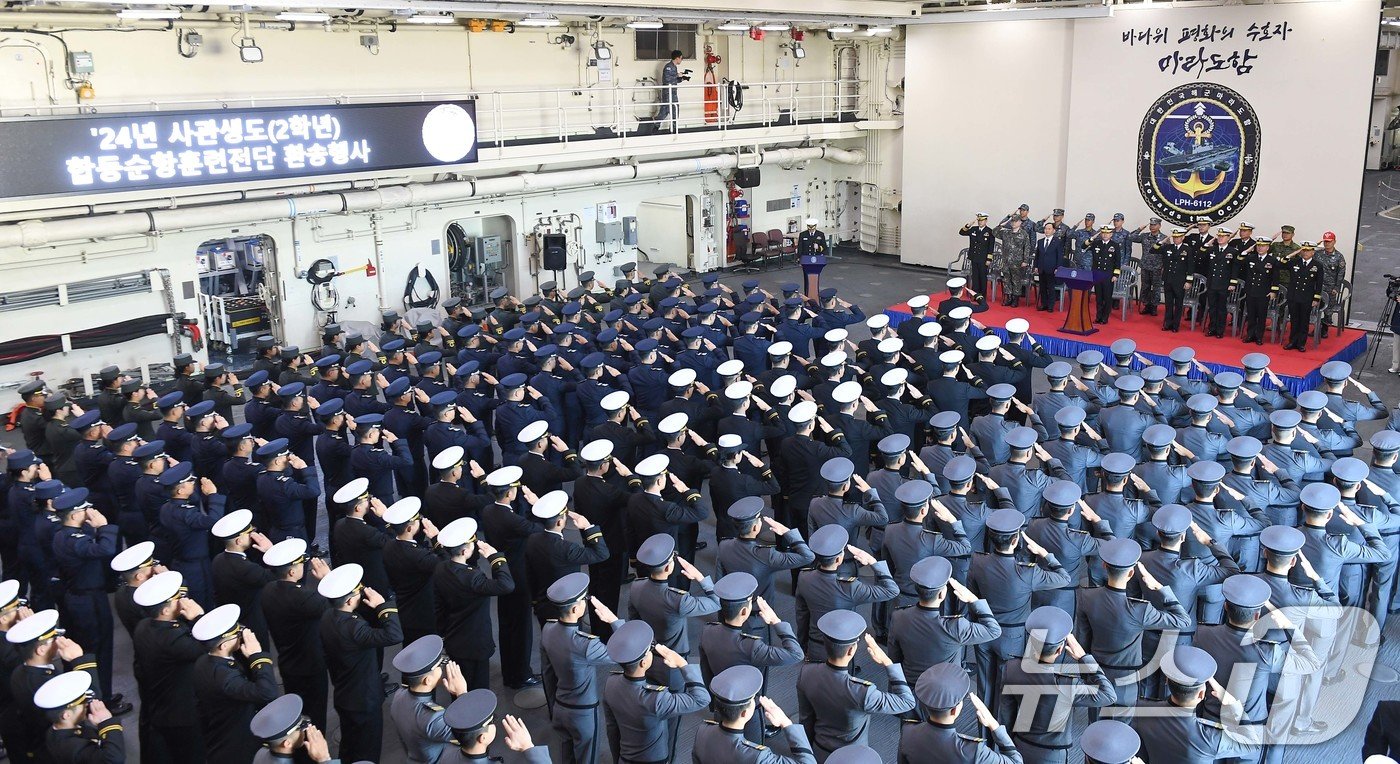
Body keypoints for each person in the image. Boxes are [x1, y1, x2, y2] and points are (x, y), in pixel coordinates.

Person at [795, 609, 915, 761]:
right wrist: (888, 663)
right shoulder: (863, 692)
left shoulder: (806, 673)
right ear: (851, 650)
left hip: (820, 752)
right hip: (853, 757)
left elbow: (806, 720)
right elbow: (907, 702)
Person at [318, 562, 403, 763]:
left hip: (345, 693)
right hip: (364, 698)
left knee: (350, 745)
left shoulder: (328, 615)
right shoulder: (353, 628)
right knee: (367, 751)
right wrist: (384, 607)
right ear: (348, 601)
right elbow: (394, 634)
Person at [602, 620, 710, 764]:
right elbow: (701, 699)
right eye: (650, 650)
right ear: (643, 663)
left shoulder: (611, 683)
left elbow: (612, 729)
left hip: (625, 758)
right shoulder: (656, 699)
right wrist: (683, 664)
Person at [132, 570, 208, 762]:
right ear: (165, 611)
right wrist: (199, 616)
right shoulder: (173, 640)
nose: (182, 601)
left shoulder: (144, 626)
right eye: (177, 599)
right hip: (183, 714)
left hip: (160, 706)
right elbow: (208, 646)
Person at [190, 604, 279, 764]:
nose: (241, 634)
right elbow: (267, 692)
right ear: (223, 645)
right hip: (236, 740)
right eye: (237, 634)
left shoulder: (205, 661)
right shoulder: (224, 677)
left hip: (219, 726)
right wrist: (257, 656)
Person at [899, 662, 1021, 764]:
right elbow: (1016, 761)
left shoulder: (908, 732)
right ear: (955, 710)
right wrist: (993, 724)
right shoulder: (974, 751)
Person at [694, 665, 815, 764]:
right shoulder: (758, 756)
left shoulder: (703, 731)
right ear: (745, 713)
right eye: (752, 700)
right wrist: (786, 723)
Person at [388, 634, 469, 764]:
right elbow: (469, 735)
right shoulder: (432, 718)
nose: (442, 667)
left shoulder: (399, 695)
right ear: (428, 680)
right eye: (439, 665)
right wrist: (462, 693)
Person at [33, 670, 125, 764]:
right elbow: (114, 759)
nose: (86, 704)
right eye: (82, 703)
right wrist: (107, 722)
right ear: (67, 715)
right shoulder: (72, 746)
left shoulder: (59, 729)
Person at [249, 693, 337, 764]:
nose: (305, 730)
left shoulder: (260, 753)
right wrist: (324, 759)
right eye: (300, 727)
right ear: (287, 744)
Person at [1160, 228, 1195, 332]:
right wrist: (1162, 241)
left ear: (1183, 237)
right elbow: (1153, 249)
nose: (1175, 239)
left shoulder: (1187, 249)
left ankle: (1175, 325)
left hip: (1180, 281)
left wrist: (1189, 281)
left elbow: (1190, 267)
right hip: (1168, 279)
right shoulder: (1168, 247)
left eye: (1178, 237)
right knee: (1168, 303)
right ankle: (1167, 323)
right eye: (1174, 237)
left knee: (1178, 304)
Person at [1085, 226, 1121, 324]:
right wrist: (1092, 238)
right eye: (1103, 233)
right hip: (1097, 274)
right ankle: (1098, 316)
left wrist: (1115, 275)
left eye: (1107, 233)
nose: (1105, 235)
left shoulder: (1115, 245)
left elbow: (1117, 262)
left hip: (1108, 275)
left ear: (1111, 234)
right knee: (1099, 297)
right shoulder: (1096, 243)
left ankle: (1105, 317)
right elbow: (1083, 246)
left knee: (1107, 297)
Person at [958, 214, 997, 295]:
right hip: (974, 256)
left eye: (982, 220)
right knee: (975, 276)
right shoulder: (973, 229)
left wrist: (989, 259)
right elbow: (961, 232)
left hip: (983, 258)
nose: (980, 222)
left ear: (986, 221)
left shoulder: (990, 231)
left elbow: (991, 246)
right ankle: (975, 294)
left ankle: (982, 295)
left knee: (982, 277)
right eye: (979, 220)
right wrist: (968, 225)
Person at [1033, 221, 1066, 312]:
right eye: (1045, 229)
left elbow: (1059, 256)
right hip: (1041, 268)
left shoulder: (1058, 242)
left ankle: (1051, 305)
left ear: (1053, 230)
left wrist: (1058, 268)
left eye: (1049, 229)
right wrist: (1036, 266)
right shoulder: (1040, 242)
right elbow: (1037, 256)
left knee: (1051, 287)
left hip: (1052, 269)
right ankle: (1044, 304)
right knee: (1042, 287)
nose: (1047, 231)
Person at [655, 50, 688, 129]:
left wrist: (683, 78)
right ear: (677, 58)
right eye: (681, 58)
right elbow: (667, 80)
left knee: (672, 109)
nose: (681, 60)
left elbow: (674, 80)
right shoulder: (669, 67)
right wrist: (677, 75)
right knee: (666, 109)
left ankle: (671, 126)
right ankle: (656, 125)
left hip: (673, 91)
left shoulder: (674, 67)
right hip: (668, 92)